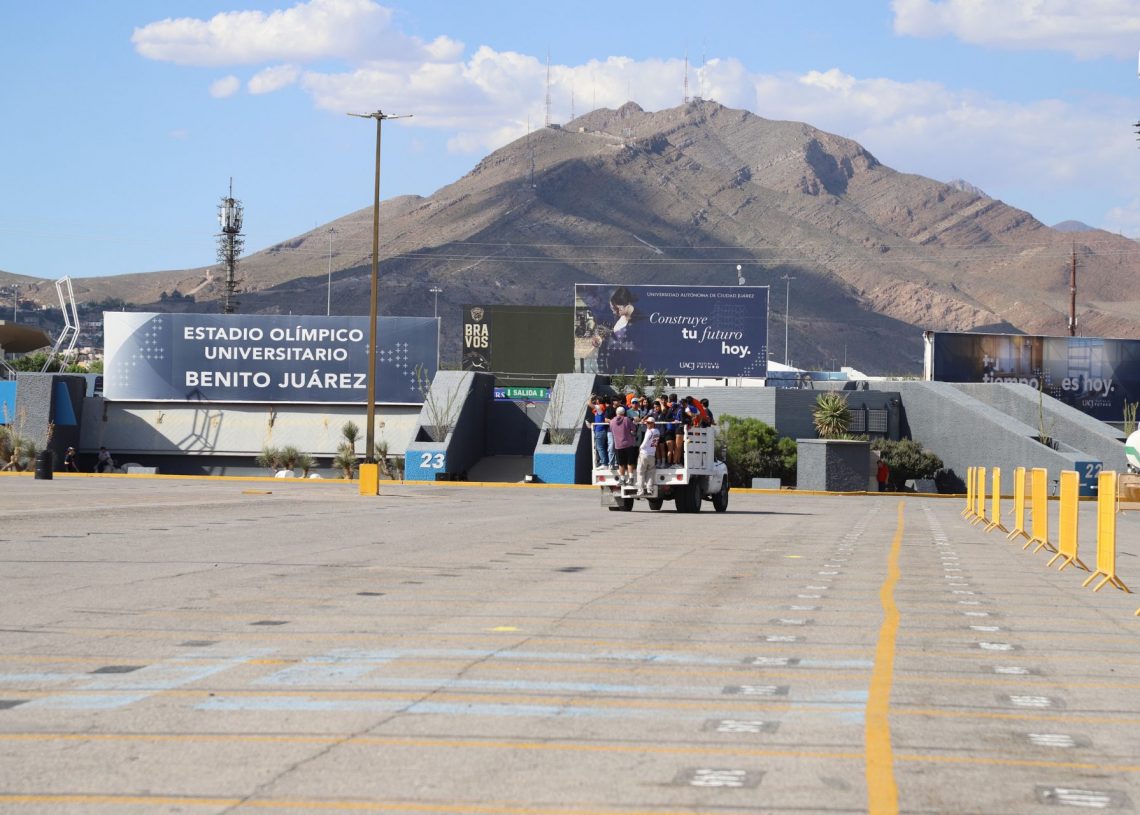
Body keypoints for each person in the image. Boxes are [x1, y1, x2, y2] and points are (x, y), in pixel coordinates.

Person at [609, 405, 637, 484]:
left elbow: (611, 430)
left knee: (621, 464)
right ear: (624, 413)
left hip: (618, 445)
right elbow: (634, 429)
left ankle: (622, 479)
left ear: (616, 413)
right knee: (630, 462)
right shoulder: (626, 419)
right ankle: (631, 479)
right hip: (628, 444)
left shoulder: (612, 421)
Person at [635, 416, 660, 497]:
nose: (647, 424)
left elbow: (645, 442)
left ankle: (640, 490)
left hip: (644, 453)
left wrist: (640, 447)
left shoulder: (649, 432)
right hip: (652, 454)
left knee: (640, 472)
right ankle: (649, 489)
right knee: (650, 472)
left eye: (649, 423)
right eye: (647, 423)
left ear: (653, 423)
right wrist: (644, 422)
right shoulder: (657, 431)